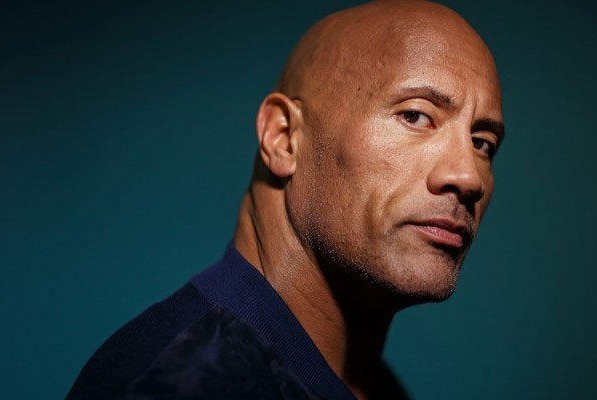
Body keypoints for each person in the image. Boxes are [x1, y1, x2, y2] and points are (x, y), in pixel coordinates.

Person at [66, 1, 505, 399]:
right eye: (416, 115)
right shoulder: (186, 383)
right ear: (283, 138)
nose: (468, 177)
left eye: (482, 142)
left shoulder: (369, 385)